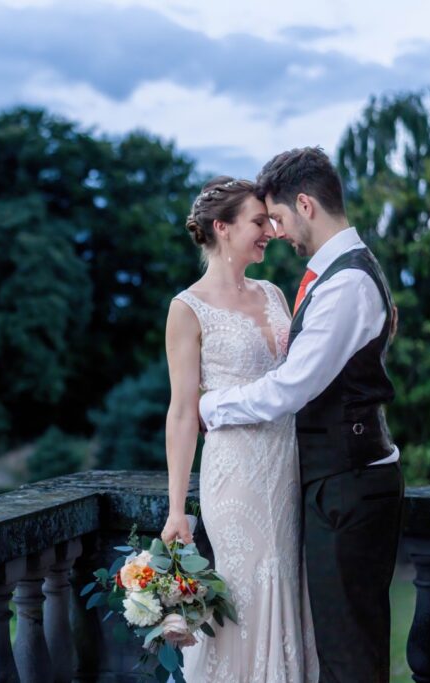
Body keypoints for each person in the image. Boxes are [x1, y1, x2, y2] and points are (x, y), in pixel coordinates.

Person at [195, 146, 405, 682]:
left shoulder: (347, 283)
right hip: (338, 481)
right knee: (335, 644)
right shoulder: (339, 274)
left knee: (348, 654)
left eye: (281, 218)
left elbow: (290, 388)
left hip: (349, 483)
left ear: (306, 205)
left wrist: (212, 405)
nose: (279, 232)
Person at [160, 174, 318, 682]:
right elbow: (184, 412)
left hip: (287, 464)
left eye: (272, 220)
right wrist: (175, 510)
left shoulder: (274, 293)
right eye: (258, 221)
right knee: (246, 587)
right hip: (236, 475)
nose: (270, 230)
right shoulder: (187, 309)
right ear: (222, 227)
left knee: (288, 581)